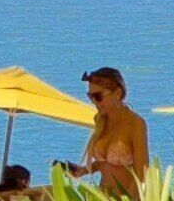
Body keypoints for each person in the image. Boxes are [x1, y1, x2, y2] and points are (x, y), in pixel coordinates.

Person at [58, 65, 149, 193]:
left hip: (127, 199)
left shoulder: (135, 124)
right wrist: (84, 170)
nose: (94, 102)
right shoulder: (100, 120)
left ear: (117, 93)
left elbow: (142, 171)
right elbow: (107, 162)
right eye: (90, 96)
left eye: (98, 96)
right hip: (103, 197)